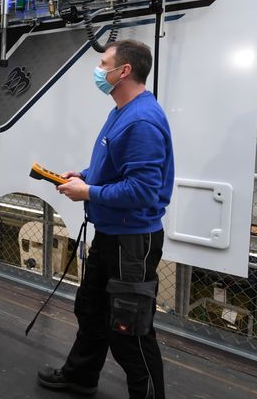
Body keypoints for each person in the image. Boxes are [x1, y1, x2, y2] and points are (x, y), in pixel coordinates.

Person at [38, 39, 174, 399]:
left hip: (132, 243)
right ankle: (80, 377)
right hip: (111, 234)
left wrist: (89, 193)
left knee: (130, 330)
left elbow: (143, 190)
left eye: (104, 63)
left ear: (124, 70)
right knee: (92, 309)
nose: (99, 71)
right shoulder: (122, 110)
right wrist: (84, 177)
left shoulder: (142, 120)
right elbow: (118, 170)